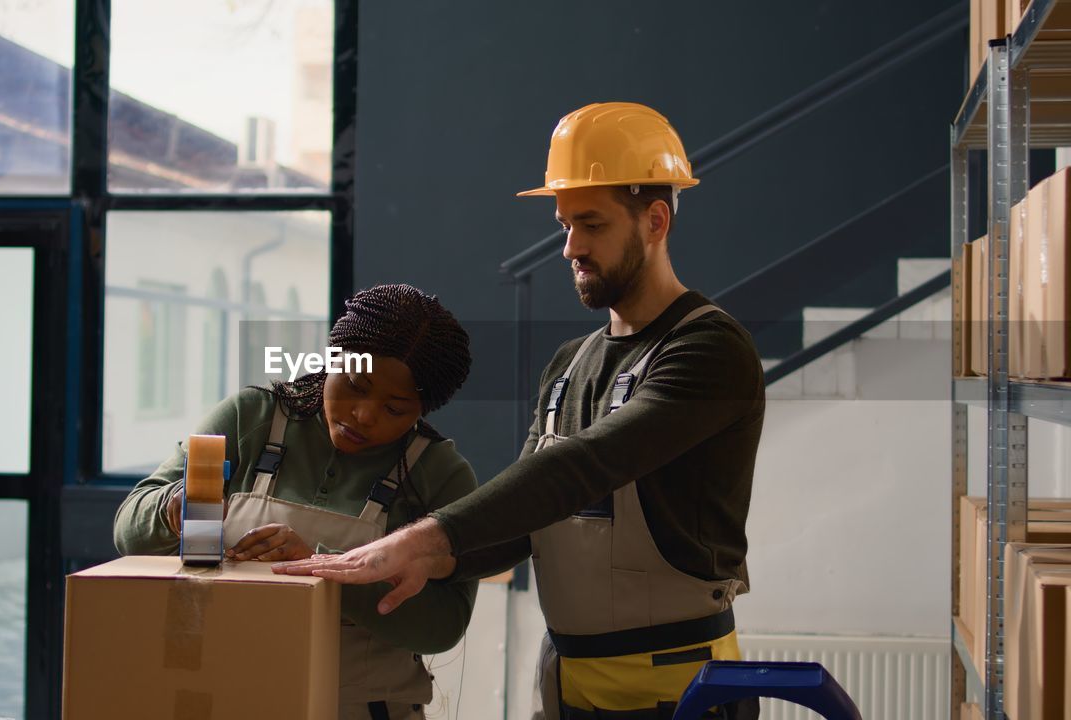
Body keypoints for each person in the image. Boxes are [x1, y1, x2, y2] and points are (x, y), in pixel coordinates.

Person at [276, 102, 766, 719]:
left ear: (656, 221)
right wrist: (435, 560)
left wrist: (422, 537)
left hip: (679, 686)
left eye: (590, 224)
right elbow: (537, 516)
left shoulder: (708, 349)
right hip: (567, 680)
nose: (569, 247)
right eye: (564, 224)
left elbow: (585, 467)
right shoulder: (567, 365)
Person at [113, 283, 478, 720]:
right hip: (224, 699)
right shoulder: (251, 419)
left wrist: (325, 569)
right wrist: (175, 509)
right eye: (355, 385)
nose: (364, 414)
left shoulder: (438, 475)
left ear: (423, 409)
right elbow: (128, 532)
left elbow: (445, 626)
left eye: (394, 409)